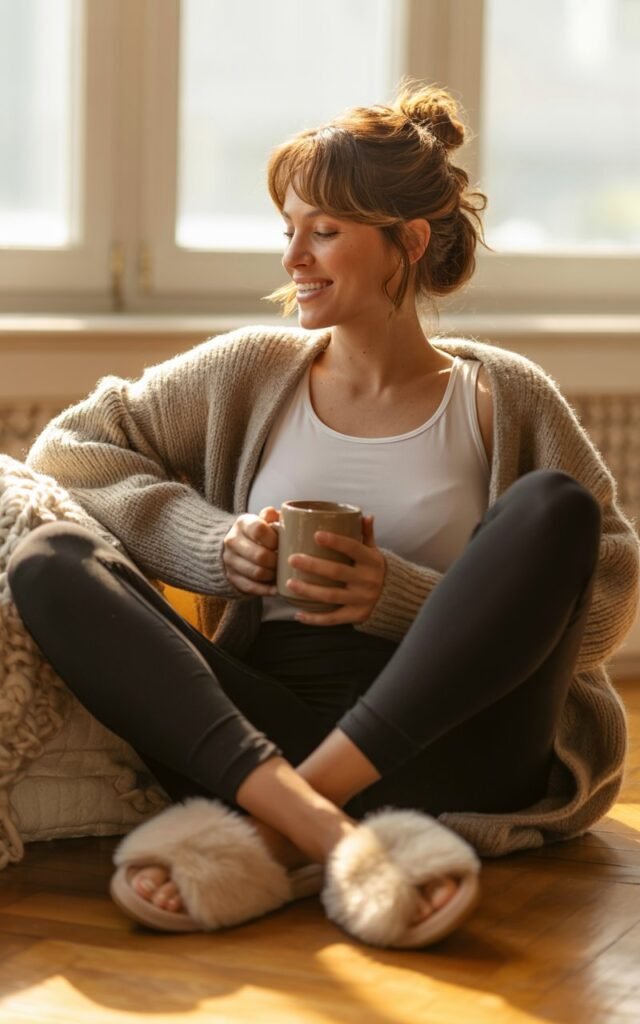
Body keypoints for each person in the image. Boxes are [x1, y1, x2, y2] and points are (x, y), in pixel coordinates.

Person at [7, 81, 639, 949]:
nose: (293, 258)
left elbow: (601, 595)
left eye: (326, 232)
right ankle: (330, 832)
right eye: (289, 230)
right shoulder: (250, 370)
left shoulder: (503, 395)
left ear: (406, 245)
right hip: (263, 729)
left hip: (459, 740)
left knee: (555, 507)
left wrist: (401, 597)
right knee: (49, 559)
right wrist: (213, 544)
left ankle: (271, 837)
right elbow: (70, 450)